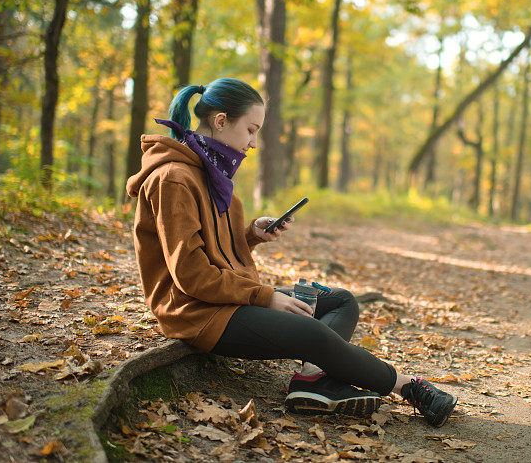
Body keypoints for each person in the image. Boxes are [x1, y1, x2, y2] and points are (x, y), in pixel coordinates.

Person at [125, 78, 458, 427]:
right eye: (251, 130)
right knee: (313, 332)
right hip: (196, 312)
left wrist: (250, 235)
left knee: (341, 300)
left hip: (225, 298)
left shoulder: (212, 175)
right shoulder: (174, 179)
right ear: (221, 121)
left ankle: (313, 380)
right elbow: (191, 273)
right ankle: (409, 388)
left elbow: (212, 249)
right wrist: (265, 296)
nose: (253, 143)